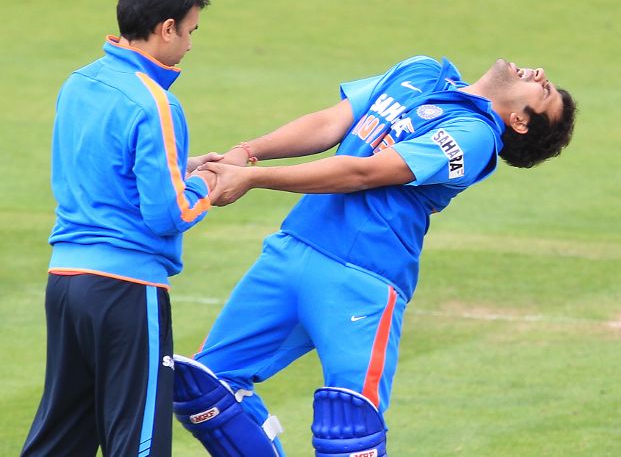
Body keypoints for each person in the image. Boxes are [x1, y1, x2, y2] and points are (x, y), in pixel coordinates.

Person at [171, 56, 577, 456]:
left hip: (363, 277)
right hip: (293, 247)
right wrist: (247, 153)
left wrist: (253, 179)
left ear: (520, 122)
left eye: (543, 91)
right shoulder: (423, 71)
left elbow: (362, 173)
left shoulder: (474, 136)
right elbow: (330, 123)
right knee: (205, 389)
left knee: (348, 429)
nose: (540, 74)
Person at [21, 0, 217, 457]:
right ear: (166, 28)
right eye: (190, 30)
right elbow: (168, 213)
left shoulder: (80, 82)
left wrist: (183, 165)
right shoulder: (156, 103)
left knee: (62, 437)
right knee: (140, 442)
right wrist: (208, 184)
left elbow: (101, 165)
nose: (191, 44)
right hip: (125, 291)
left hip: (65, 282)